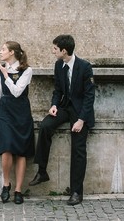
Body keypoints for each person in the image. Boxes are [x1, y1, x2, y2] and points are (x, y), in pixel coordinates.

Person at [29, 34, 96, 206]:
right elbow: (58, 90)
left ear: (64, 51)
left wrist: (81, 120)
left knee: (78, 149)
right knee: (45, 126)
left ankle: (76, 192)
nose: (53, 51)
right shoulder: (59, 65)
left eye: (55, 49)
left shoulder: (85, 67)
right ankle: (42, 172)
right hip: (65, 107)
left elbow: (89, 97)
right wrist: (53, 105)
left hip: (80, 111)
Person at [0, 41, 34, 204]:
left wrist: (6, 75)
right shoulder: (2, 69)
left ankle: (18, 190)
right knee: (6, 148)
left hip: (21, 112)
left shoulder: (27, 70)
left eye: (3, 49)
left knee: (21, 151)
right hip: (5, 112)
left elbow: (17, 91)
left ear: (12, 52)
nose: (0, 52)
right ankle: (6, 184)